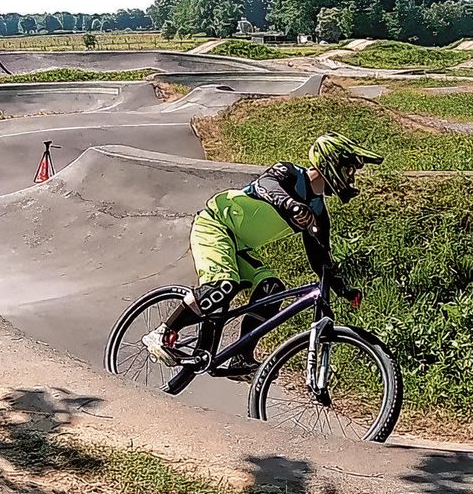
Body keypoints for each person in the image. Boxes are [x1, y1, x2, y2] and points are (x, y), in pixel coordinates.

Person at [143, 132, 383, 377]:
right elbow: (265, 187)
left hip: (240, 245)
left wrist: (343, 289)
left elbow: (320, 259)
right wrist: (291, 204)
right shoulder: (289, 173)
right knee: (222, 286)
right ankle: (162, 333)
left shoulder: (318, 211)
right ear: (331, 162)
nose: (351, 177)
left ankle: (241, 358)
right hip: (215, 224)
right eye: (349, 169)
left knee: (272, 289)